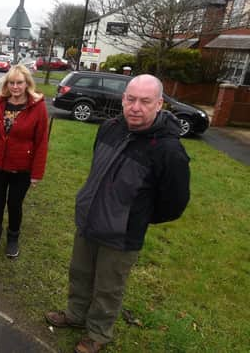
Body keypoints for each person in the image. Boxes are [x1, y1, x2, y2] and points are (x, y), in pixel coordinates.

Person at [45, 74, 190, 353]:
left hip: (121, 236)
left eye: (145, 101)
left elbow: (175, 204)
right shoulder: (110, 127)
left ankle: (98, 334)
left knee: (108, 288)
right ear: (123, 99)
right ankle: (75, 315)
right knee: (80, 274)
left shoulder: (169, 151)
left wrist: (135, 215)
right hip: (89, 221)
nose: (136, 107)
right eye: (131, 99)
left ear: (159, 104)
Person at [0, 64, 49, 258]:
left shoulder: (37, 107)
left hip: (22, 169)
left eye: (19, 83)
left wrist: (36, 174)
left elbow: (41, 142)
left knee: (15, 205)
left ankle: (13, 239)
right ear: (7, 84)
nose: (15, 86)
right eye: (12, 83)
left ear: (27, 84)